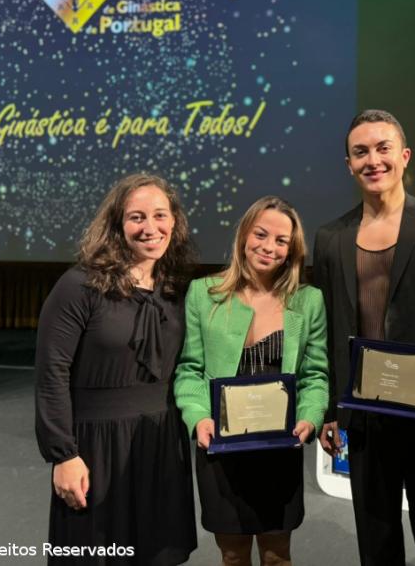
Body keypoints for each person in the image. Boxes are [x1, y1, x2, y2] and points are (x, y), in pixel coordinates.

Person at [314, 109, 415, 565]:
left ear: (404, 156)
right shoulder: (329, 239)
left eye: (383, 148)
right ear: (348, 164)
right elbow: (327, 332)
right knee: (377, 542)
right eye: (360, 152)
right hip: (366, 418)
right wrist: (331, 409)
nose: (373, 160)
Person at [34, 173, 198, 564]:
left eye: (160, 215)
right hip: (95, 449)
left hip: (160, 444)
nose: (150, 227)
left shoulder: (176, 288)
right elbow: (51, 374)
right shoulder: (79, 286)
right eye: (136, 217)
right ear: (116, 224)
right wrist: (63, 455)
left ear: (174, 222)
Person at [174, 196, 329, 566]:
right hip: (220, 446)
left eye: (281, 241)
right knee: (232, 554)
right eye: (261, 234)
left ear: (292, 250)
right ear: (244, 235)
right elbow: (189, 371)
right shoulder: (203, 294)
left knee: (277, 555)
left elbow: (315, 375)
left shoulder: (309, 301)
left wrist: (310, 416)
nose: (269, 247)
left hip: (280, 448)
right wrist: (198, 418)